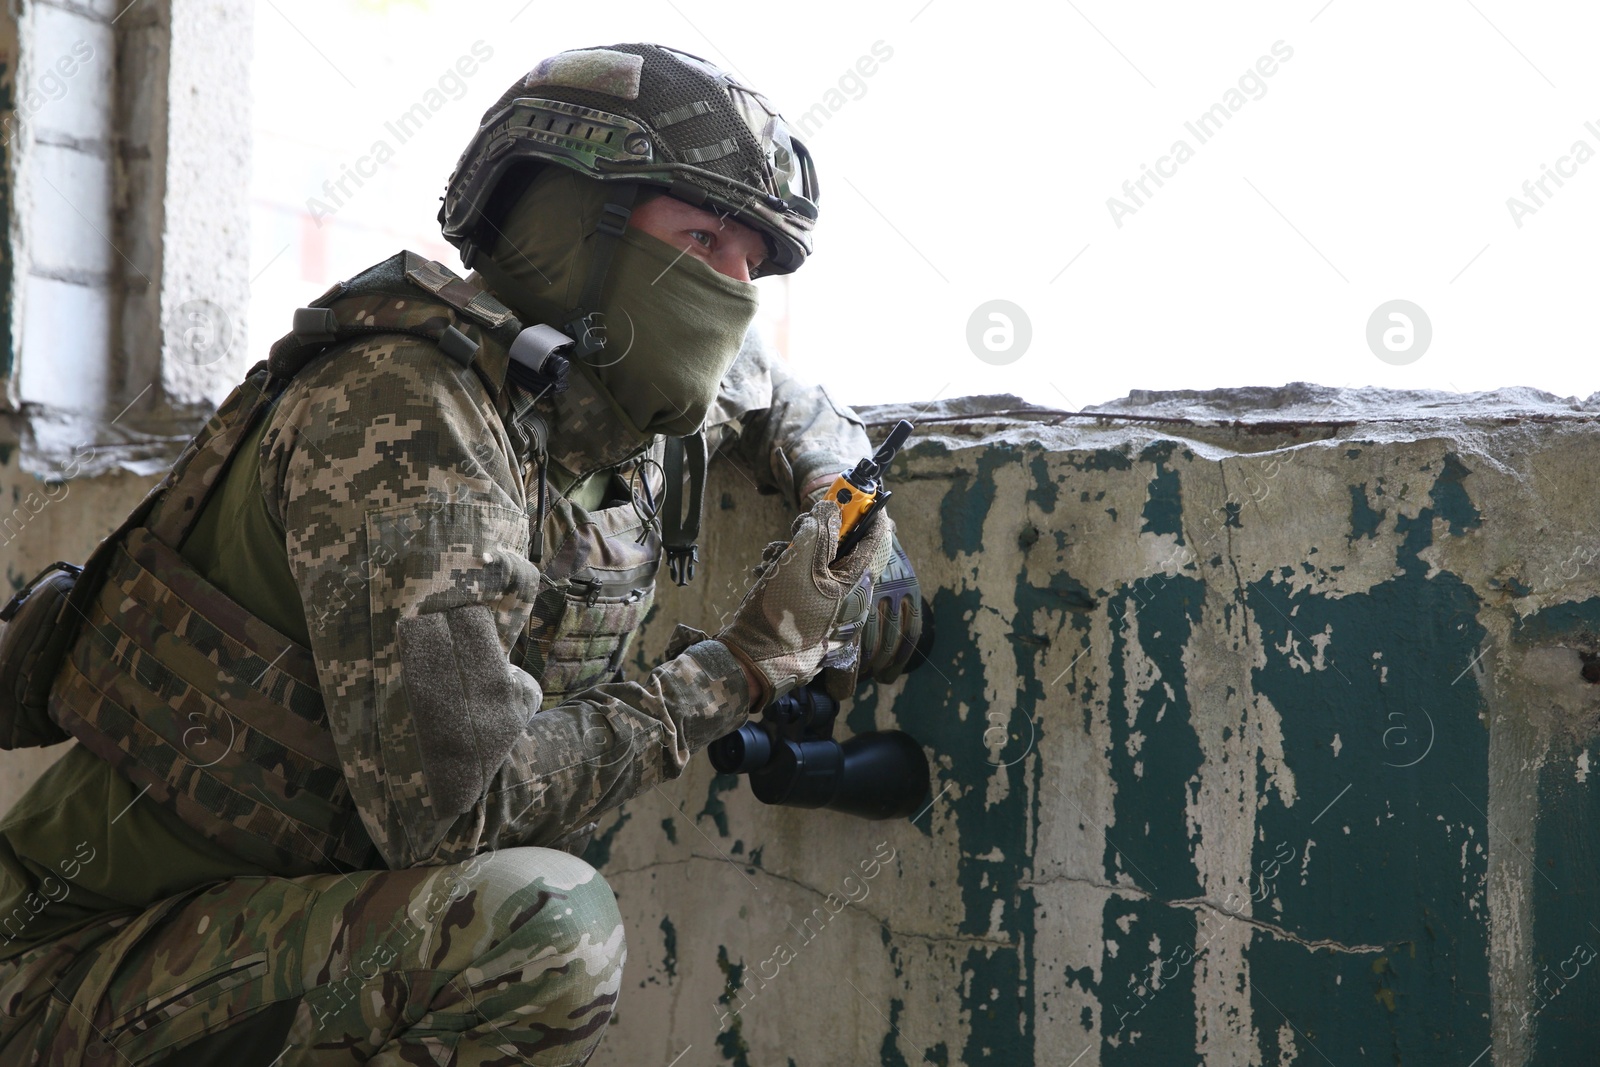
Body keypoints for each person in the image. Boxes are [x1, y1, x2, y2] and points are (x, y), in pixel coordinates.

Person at [0, 41, 923, 1066]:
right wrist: (744, 665)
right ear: (568, 234)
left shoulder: (594, 389)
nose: (731, 290)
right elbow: (457, 815)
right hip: (64, 972)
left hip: (239, 946)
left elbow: (768, 383)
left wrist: (848, 522)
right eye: (701, 239)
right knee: (539, 931)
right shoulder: (406, 412)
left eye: (750, 262)